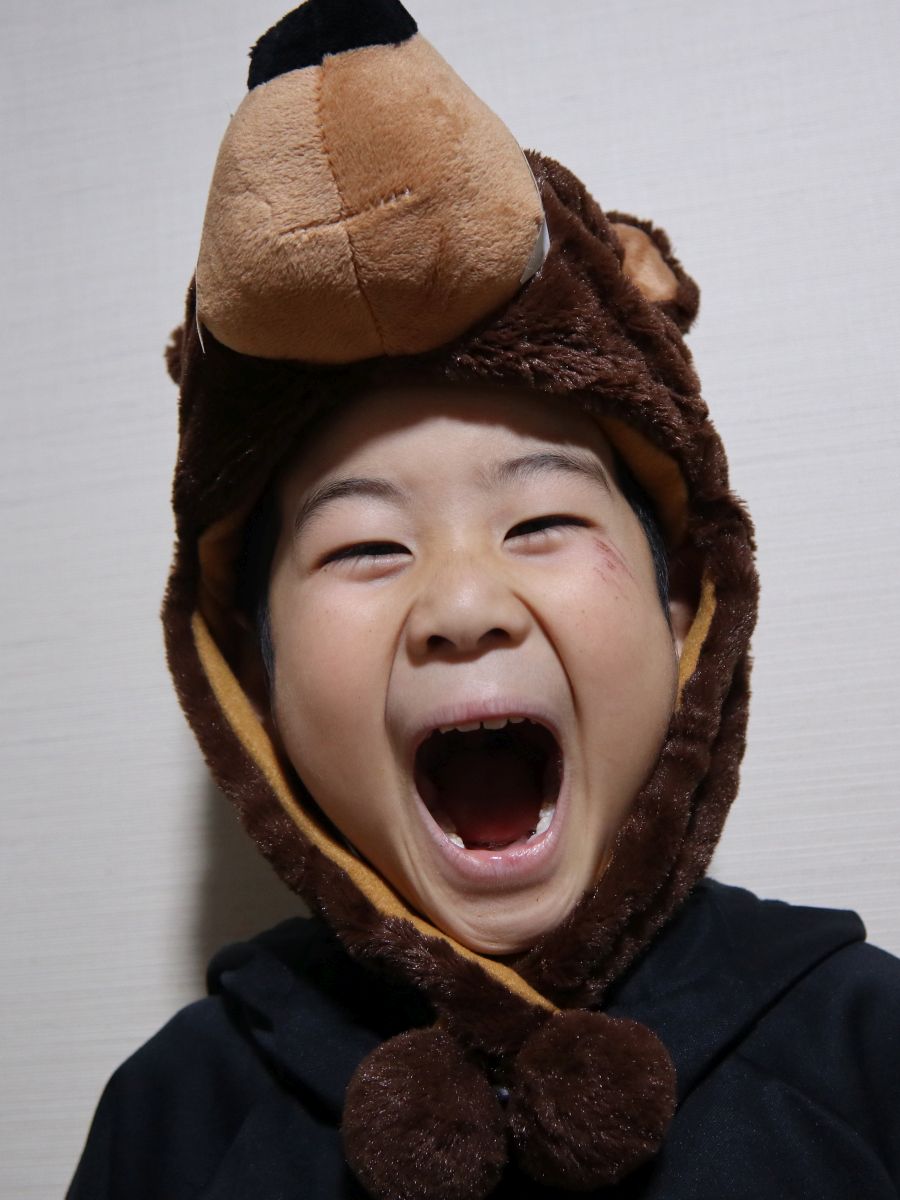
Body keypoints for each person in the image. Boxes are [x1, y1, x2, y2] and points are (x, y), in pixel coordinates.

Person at [67, 1, 900, 1197]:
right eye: (365, 546)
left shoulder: (865, 1051)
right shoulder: (175, 1121)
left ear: (683, 616)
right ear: (254, 678)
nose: (462, 602)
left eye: (543, 522)